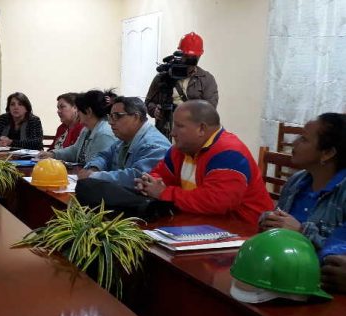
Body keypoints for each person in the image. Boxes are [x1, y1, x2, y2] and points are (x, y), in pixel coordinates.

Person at [135, 100, 272, 225]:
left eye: (179, 126)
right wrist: (149, 183)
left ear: (201, 129)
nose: (172, 133)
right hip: (200, 224)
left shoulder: (229, 153)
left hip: (243, 231)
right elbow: (160, 174)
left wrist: (164, 193)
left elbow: (216, 202)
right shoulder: (182, 148)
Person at [258, 113, 346, 261]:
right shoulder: (297, 181)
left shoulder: (342, 193)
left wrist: (301, 232)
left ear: (327, 153)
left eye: (304, 139)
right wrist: (269, 221)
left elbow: (338, 256)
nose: (294, 143)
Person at [78, 96, 170, 188]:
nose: (110, 122)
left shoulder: (154, 145)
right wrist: (94, 168)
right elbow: (103, 156)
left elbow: (137, 178)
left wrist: (94, 176)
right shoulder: (124, 140)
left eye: (116, 116)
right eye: (110, 117)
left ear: (136, 117)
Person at [145, 32, 218, 139]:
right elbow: (148, 103)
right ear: (180, 54)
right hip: (166, 132)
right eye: (187, 56)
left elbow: (210, 110)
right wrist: (155, 110)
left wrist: (189, 114)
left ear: (199, 56)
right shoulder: (164, 76)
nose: (190, 60)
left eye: (194, 57)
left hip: (193, 134)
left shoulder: (206, 79)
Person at [38, 90, 117, 164]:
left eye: (79, 110)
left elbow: (96, 167)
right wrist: (52, 154)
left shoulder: (104, 134)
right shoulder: (87, 129)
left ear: (88, 112)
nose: (77, 113)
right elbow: (75, 150)